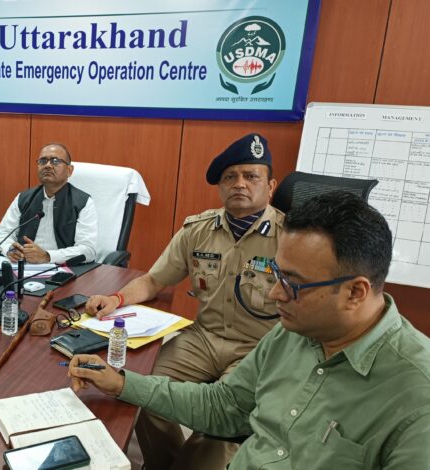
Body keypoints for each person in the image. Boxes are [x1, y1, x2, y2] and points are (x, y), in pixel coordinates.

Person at [69, 191, 430, 470]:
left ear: (355, 293)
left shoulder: (416, 395)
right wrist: (121, 383)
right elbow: (224, 406)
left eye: (292, 284)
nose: (275, 294)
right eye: (277, 275)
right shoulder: (291, 334)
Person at [85, 133, 282, 469]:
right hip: (202, 338)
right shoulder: (198, 230)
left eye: (251, 176)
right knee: (142, 392)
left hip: (258, 348)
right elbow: (154, 280)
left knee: (221, 425)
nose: (240, 184)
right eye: (230, 177)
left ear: (271, 186)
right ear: (220, 187)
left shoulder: (290, 237)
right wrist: (116, 297)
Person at [0, 142, 97, 264]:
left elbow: (88, 250)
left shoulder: (83, 202)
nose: (48, 165)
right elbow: (3, 234)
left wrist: (47, 256)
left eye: (55, 161)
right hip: (23, 265)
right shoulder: (23, 198)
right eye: (43, 161)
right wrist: (10, 250)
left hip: (63, 268)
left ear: (69, 170)